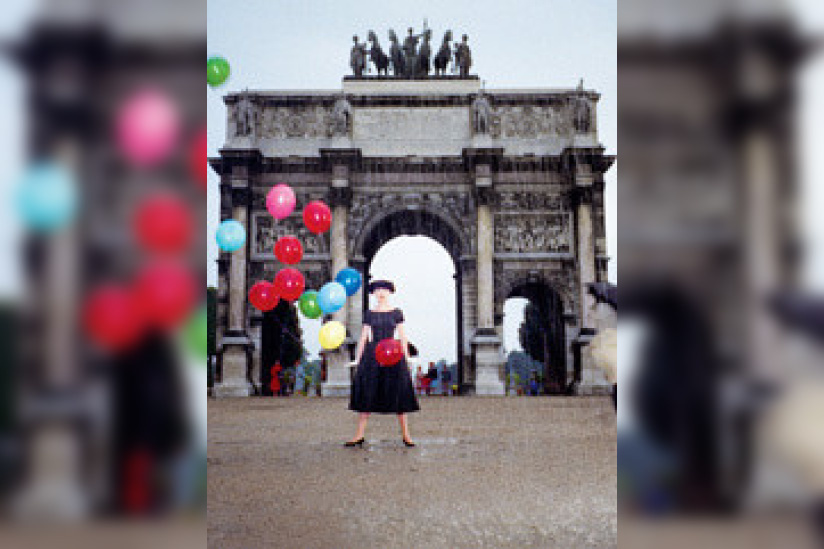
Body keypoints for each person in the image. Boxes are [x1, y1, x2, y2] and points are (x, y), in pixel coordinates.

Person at [346, 279, 420, 447]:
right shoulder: (369, 313)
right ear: (373, 293)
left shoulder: (397, 313)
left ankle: (406, 435)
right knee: (367, 393)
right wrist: (358, 359)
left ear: (390, 292)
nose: (381, 292)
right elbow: (364, 337)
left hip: (393, 353)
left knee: (400, 393)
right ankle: (358, 435)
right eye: (378, 289)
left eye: (384, 289)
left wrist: (407, 357)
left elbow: (402, 336)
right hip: (373, 354)